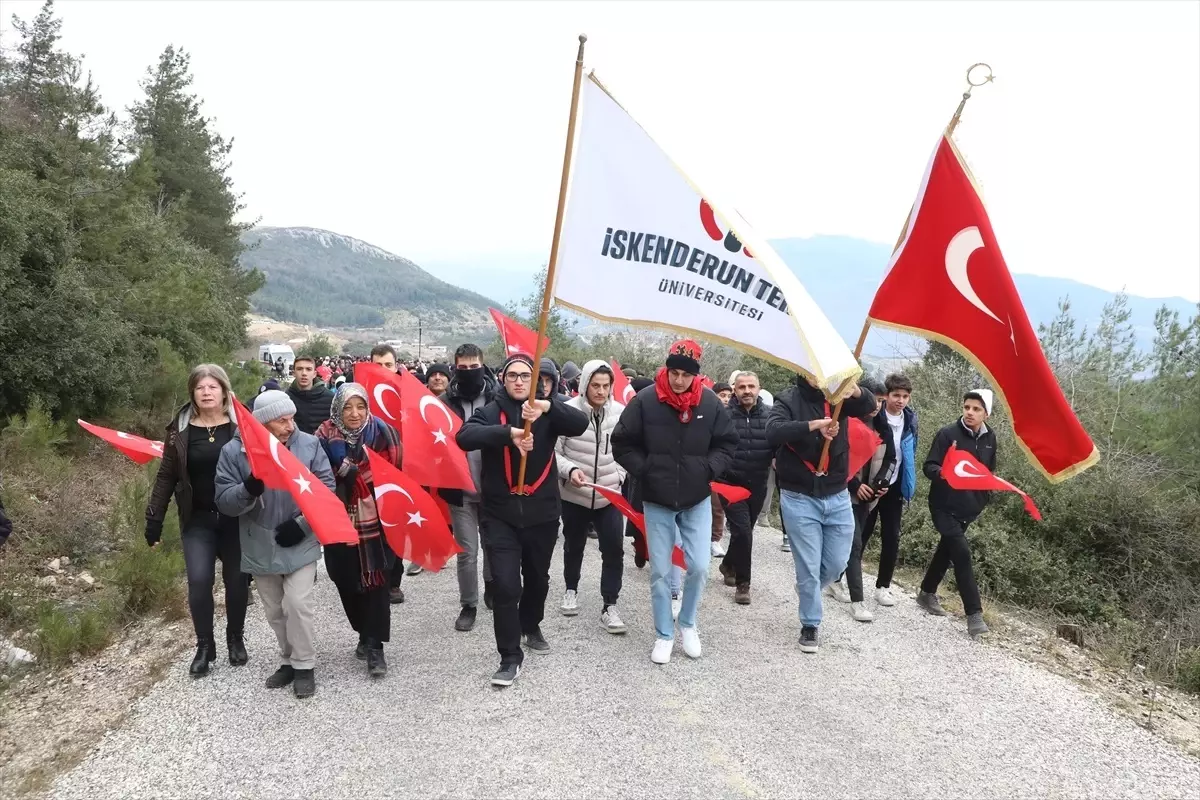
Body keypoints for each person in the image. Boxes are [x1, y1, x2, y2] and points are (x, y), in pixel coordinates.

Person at [456, 353, 588, 687]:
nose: (518, 381)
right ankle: (510, 656)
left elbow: (580, 423)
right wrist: (508, 433)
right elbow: (465, 437)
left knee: (538, 580)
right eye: (512, 375)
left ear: (536, 381)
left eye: (525, 376)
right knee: (505, 585)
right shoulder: (490, 412)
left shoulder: (547, 409)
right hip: (500, 515)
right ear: (503, 378)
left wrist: (547, 407)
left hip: (542, 513)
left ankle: (531, 624)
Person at [612, 340, 738, 665]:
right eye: (674, 372)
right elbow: (623, 443)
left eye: (686, 375)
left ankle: (688, 623)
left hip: (696, 497)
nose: (679, 380)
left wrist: (708, 469)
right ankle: (664, 634)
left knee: (698, 566)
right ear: (666, 370)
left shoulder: (710, 404)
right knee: (661, 571)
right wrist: (646, 470)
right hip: (657, 497)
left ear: (697, 376)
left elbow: (727, 443)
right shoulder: (645, 401)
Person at [215, 390, 334, 699]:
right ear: (264, 423)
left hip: (300, 538)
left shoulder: (308, 445)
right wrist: (248, 489)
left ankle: (305, 664)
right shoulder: (234, 452)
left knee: (297, 602)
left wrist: (302, 525)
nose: (290, 426)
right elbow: (225, 501)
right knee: (274, 610)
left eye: (292, 418)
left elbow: (326, 487)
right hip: (259, 540)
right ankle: (289, 660)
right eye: (282, 420)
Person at [145, 364, 249, 678]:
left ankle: (235, 637)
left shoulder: (241, 426)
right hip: (198, 519)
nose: (206, 392)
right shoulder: (180, 429)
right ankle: (205, 645)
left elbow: (261, 468)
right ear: (192, 392)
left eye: (212, 387)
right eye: (200, 387)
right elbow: (166, 475)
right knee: (200, 581)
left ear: (224, 391)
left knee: (237, 581)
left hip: (236, 519)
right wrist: (154, 519)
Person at [768, 373, 875, 654]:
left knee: (837, 562)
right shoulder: (788, 398)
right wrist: (815, 426)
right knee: (808, 564)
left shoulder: (836, 397)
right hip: (799, 495)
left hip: (837, 493)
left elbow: (870, 405)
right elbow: (774, 430)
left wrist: (855, 392)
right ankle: (810, 624)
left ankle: (809, 587)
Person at [316, 383, 403, 678]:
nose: (354, 414)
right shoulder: (323, 436)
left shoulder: (384, 434)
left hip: (378, 521)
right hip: (337, 519)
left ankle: (375, 645)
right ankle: (362, 630)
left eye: (360, 406)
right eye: (348, 407)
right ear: (337, 409)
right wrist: (345, 474)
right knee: (344, 578)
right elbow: (316, 475)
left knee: (377, 580)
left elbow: (397, 476)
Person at [917, 389, 997, 638]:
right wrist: (943, 473)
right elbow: (929, 466)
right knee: (961, 553)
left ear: (986, 413)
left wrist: (982, 500)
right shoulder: (947, 434)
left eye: (976, 409)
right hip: (943, 505)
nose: (970, 412)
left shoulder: (990, 438)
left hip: (968, 508)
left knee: (947, 550)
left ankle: (926, 593)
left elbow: (988, 474)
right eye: (967, 407)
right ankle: (974, 616)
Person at [555, 361, 628, 633]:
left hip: (609, 495)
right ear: (584, 384)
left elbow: (625, 449)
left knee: (613, 549)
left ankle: (610, 604)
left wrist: (619, 475)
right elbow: (555, 452)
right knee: (573, 545)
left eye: (605, 386)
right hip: (575, 493)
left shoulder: (620, 413)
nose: (600, 391)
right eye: (595, 385)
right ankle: (571, 589)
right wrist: (570, 470)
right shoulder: (568, 412)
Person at [438, 343, 500, 631]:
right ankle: (469, 604)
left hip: (492, 485)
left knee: (492, 545)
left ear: (483, 365)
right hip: (459, 488)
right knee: (466, 551)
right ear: (455, 368)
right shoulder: (442, 402)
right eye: (462, 368)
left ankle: (491, 587)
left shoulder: (497, 398)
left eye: (473, 367)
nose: (468, 372)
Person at [837, 378, 896, 623]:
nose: (877, 406)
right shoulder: (844, 421)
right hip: (843, 491)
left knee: (852, 542)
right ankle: (857, 601)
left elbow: (891, 460)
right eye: (875, 400)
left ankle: (833, 580)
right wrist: (854, 484)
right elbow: (835, 458)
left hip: (868, 496)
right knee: (854, 544)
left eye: (882, 401)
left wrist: (880, 484)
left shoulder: (884, 427)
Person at [859, 373, 918, 608]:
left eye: (905, 396)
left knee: (892, 536)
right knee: (862, 532)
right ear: (887, 396)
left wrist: (907, 484)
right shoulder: (875, 416)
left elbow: (909, 454)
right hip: (872, 482)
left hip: (895, 485)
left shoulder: (911, 420)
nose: (900, 400)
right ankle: (839, 577)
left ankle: (883, 586)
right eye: (896, 395)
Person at [716, 372, 774, 605]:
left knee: (744, 531)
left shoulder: (771, 417)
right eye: (742, 387)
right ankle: (743, 583)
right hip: (730, 483)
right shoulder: (723, 415)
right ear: (734, 390)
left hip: (758, 483)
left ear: (759, 389)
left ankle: (728, 564)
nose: (747, 391)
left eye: (751, 386)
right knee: (743, 531)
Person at [368, 344, 411, 600]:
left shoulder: (407, 394)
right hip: (367, 471)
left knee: (396, 528)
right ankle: (374, 578)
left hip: (401, 471)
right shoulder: (359, 394)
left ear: (396, 366)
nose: (383, 370)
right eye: (378, 365)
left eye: (388, 364)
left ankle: (393, 580)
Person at [286, 356, 334, 435]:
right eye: (299, 369)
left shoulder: (330, 398)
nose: (304, 373)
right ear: (294, 373)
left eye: (308, 369)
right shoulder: (286, 398)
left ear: (314, 374)